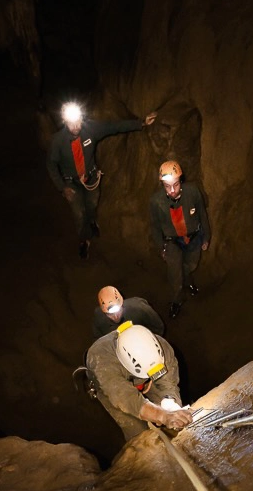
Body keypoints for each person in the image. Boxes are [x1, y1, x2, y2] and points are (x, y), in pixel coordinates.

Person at [47, 102, 157, 259]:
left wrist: (141, 123)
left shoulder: (90, 129)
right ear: (65, 121)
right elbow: (51, 165)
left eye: (78, 121)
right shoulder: (58, 141)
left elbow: (114, 127)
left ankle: (92, 222)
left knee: (92, 205)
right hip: (71, 182)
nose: (76, 126)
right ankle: (84, 240)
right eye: (71, 123)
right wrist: (62, 187)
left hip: (91, 178)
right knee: (79, 213)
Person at [85, 321, 193, 440]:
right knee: (139, 432)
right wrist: (162, 416)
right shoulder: (102, 361)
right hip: (113, 389)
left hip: (147, 380)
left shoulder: (161, 347)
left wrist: (170, 405)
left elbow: (168, 384)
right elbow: (128, 399)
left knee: (174, 418)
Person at [148, 160, 211, 319]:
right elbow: (155, 226)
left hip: (193, 237)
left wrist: (206, 237)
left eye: (175, 185)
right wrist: (161, 246)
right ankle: (177, 299)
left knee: (190, 265)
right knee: (175, 274)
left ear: (181, 181)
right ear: (162, 184)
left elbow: (202, 214)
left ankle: (187, 281)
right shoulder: (156, 201)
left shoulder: (193, 192)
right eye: (167, 186)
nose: (172, 190)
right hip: (172, 241)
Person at [93, 285, 165, 338]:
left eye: (118, 311)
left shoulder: (139, 308)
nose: (115, 316)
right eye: (110, 314)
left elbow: (158, 327)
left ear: (121, 304)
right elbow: (99, 339)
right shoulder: (99, 317)